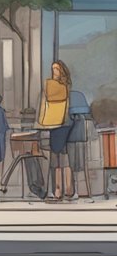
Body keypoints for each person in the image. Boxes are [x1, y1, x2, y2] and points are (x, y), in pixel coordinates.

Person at [40, 61, 73, 203]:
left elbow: (55, 97)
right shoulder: (53, 84)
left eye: (57, 69)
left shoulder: (62, 85)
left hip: (63, 123)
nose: (54, 71)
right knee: (57, 156)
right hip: (54, 123)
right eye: (53, 68)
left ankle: (66, 189)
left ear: (62, 70)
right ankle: (59, 189)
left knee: (62, 156)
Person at [65, 86, 92, 201]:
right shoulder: (78, 98)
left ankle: (75, 191)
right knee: (78, 165)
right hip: (77, 138)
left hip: (74, 139)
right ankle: (77, 191)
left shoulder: (73, 98)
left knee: (74, 165)